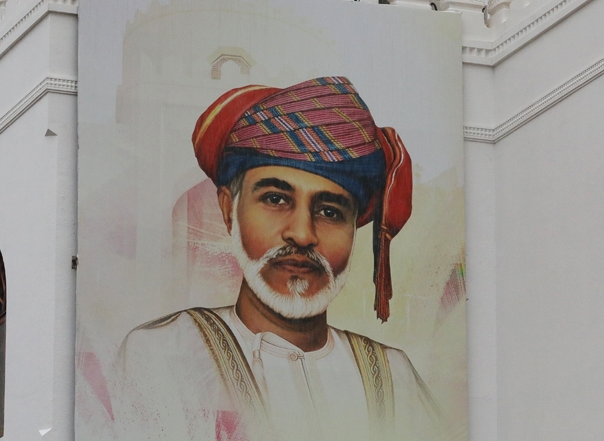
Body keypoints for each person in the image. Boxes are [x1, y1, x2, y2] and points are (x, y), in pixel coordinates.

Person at [112, 77, 441, 440]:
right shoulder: (165, 352)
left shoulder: (395, 375)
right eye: (276, 199)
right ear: (229, 210)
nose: (302, 234)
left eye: (330, 212)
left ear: (353, 229)